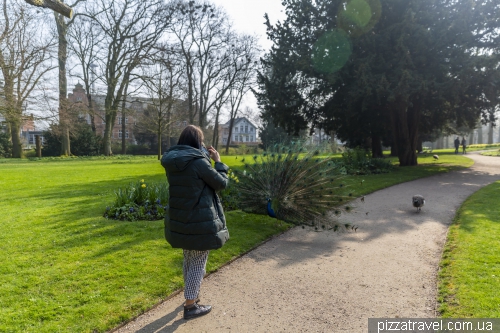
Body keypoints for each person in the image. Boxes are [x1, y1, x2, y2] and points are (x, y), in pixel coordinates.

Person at [161, 125, 230, 320]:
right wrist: (218, 162)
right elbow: (221, 183)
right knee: (199, 261)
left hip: (180, 219)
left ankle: (192, 296)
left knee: (189, 258)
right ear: (197, 142)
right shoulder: (199, 162)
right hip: (199, 220)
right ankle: (190, 305)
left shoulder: (172, 161)